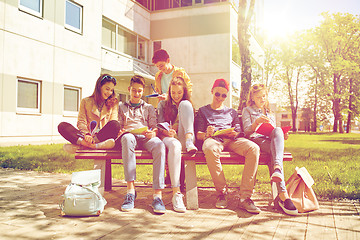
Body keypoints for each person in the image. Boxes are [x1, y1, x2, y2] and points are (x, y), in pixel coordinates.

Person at [195, 79, 261, 214]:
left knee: (253, 148)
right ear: (212, 91)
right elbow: (198, 135)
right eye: (217, 94)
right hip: (214, 140)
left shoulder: (231, 112)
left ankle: (245, 197)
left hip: (232, 140)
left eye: (223, 95)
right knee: (209, 148)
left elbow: (239, 131)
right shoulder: (203, 111)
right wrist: (207, 134)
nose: (220, 98)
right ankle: (222, 192)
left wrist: (233, 133)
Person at [242, 83, 298, 216]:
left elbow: (273, 131)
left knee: (278, 131)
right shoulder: (247, 110)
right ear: (253, 97)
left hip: (270, 141)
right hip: (256, 140)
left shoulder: (270, 113)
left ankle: (277, 170)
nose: (263, 99)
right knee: (276, 152)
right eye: (259, 96)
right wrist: (257, 123)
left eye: (264, 96)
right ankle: (283, 196)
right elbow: (246, 131)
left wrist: (282, 136)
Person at [116, 75, 166, 214]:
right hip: (129, 137)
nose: (136, 94)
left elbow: (154, 127)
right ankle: (130, 191)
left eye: (139, 91)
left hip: (145, 137)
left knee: (159, 145)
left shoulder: (149, 107)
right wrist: (122, 131)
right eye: (134, 90)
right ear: (129, 89)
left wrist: (153, 133)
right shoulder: (121, 107)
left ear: (142, 91)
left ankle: (157, 195)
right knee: (127, 139)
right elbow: (118, 126)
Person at [157, 77, 198, 213]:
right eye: (173, 93)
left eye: (179, 93)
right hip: (169, 138)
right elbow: (159, 127)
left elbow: (192, 125)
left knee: (185, 104)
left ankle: (188, 140)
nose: (176, 96)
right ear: (169, 92)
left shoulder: (187, 104)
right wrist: (167, 131)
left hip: (186, 139)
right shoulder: (163, 104)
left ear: (184, 91)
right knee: (175, 145)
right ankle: (176, 193)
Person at [58, 74, 120, 154]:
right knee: (62, 126)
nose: (109, 93)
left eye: (111, 90)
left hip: (102, 137)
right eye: (107, 89)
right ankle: (92, 145)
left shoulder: (113, 104)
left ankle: (83, 146)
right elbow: (81, 121)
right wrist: (87, 134)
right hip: (87, 136)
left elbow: (113, 122)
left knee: (115, 125)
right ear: (99, 87)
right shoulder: (86, 101)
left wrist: (95, 137)